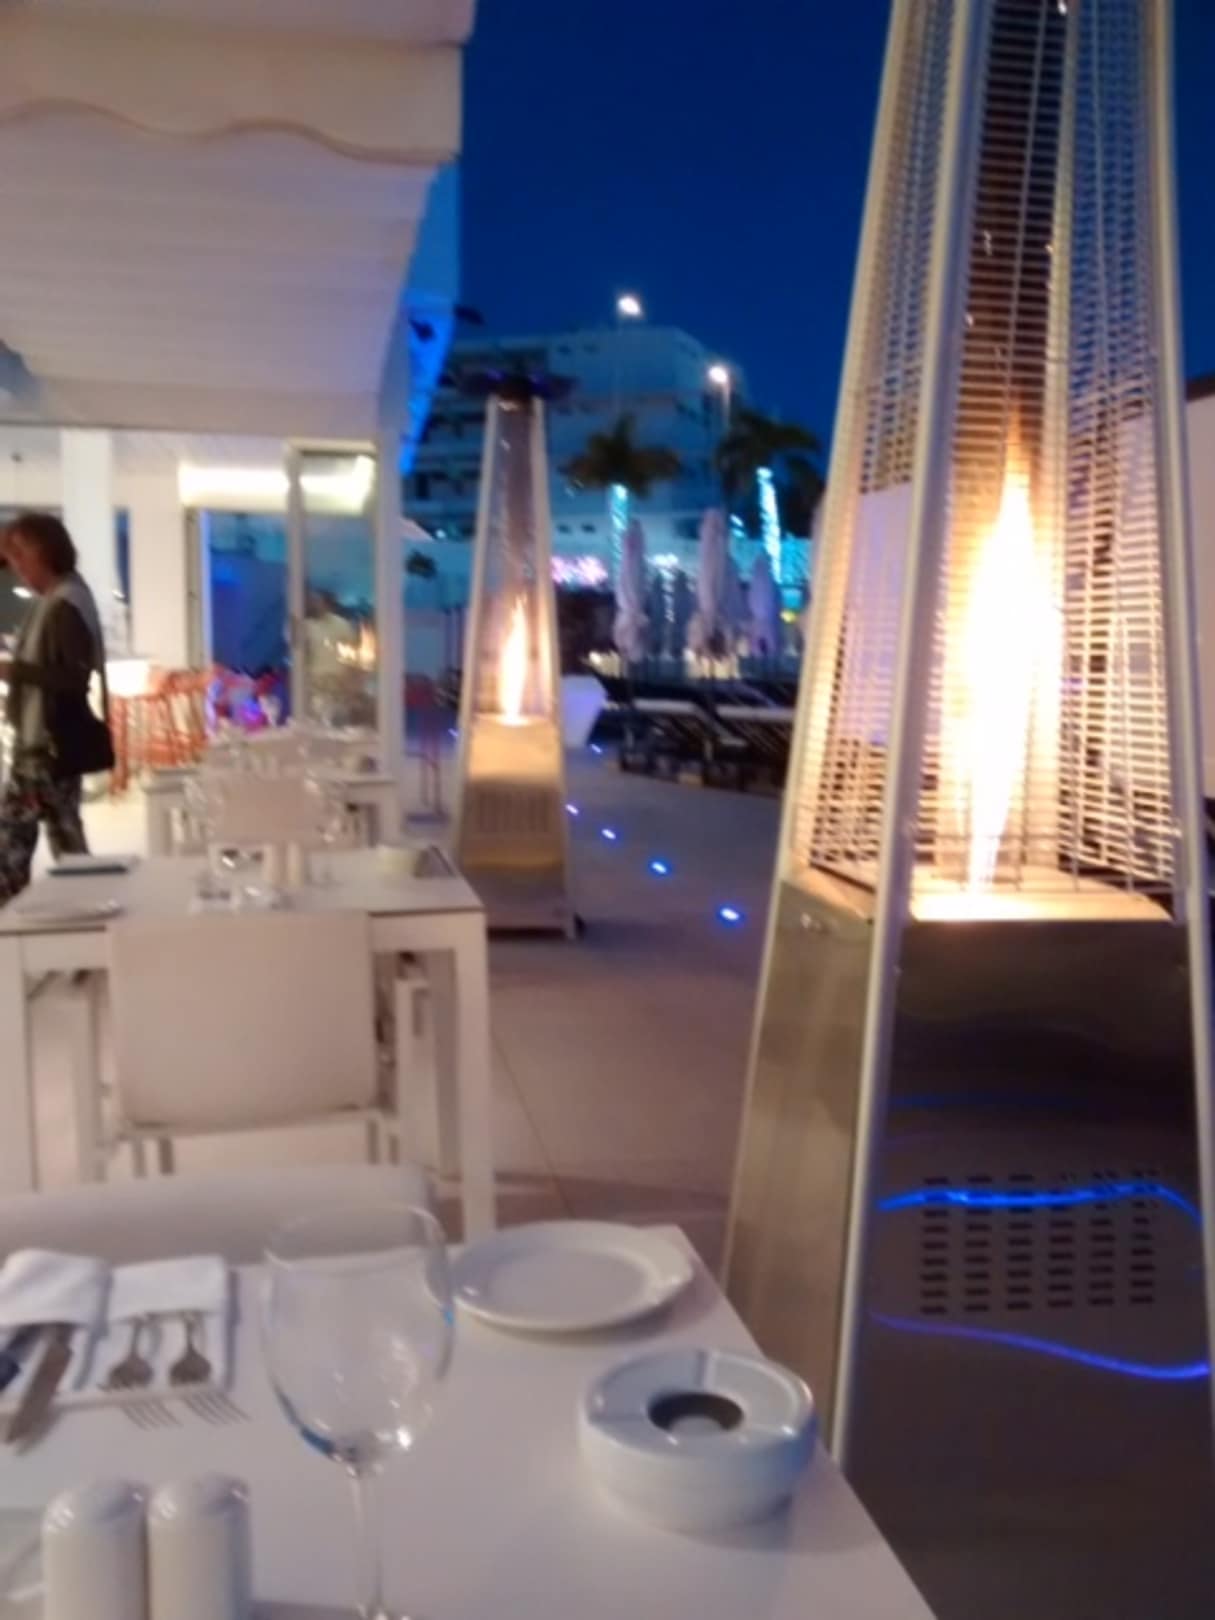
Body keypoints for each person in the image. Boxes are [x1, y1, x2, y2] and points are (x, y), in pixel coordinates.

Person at [0, 512, 112, 903]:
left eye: (20, 555)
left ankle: (13, 923)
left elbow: (72, 678)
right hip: (48, 746)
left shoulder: (65, 604)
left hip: (46, 747)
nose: (16, 566)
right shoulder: (61, 597)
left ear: (44, 552)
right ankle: (86, 915)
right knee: (64, 845)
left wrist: (13, 670)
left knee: (12, 848)